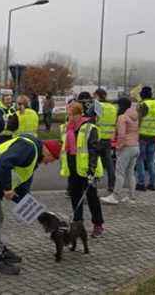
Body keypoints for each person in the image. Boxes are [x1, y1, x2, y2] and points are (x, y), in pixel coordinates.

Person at [0, 134, 59, 275]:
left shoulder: (33, 157)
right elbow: (3, 163)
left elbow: (22, 190)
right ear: (47, 151)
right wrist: (7, 188)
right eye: (52, 160)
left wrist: (39, 214)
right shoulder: (28, 148)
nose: (48, 163)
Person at [59, 101, 105, 237]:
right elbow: (64, 147)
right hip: (73, 168)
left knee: (92, 198)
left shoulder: (90, 128)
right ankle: (78, 224)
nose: (70, 118)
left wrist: (91, 169)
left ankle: (98, 225)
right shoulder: (66, 128)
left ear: (79, 114)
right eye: (68, 115)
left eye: (72, 115)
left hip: (87, 169)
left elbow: (94, 150)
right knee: (75, 196)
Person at [100, 97, 139, 205]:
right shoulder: (135, 116)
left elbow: (121, 135)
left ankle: (115, 196)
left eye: (118, 105)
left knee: (119, 172)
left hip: (126, 147)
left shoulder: (122, 117)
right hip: (135, 146)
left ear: (121, 106)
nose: (116, 107)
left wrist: (118, 147)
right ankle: (132, 197)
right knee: (130, 173)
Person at [136, 86, 155, 191]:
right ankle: (152, 183)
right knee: (151, 160)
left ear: (142, 95)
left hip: (142, 135)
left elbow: (138, 120)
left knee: (140, 160)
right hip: (154, 136)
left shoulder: (143, 105)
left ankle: (141, 183)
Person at [93, 88, 117, 192]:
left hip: (97, 138)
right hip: (108, 138)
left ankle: (92, 186)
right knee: (109, 163)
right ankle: (112, 185)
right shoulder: (112, 107)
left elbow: (92, 118)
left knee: (93, 163)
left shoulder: (98, 105)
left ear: (97, 95)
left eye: (94, 95)